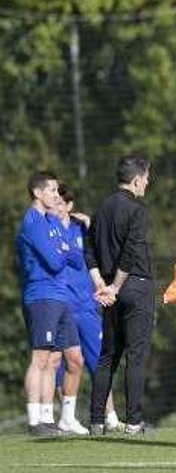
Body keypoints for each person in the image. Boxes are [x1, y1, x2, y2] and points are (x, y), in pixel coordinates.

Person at [86, 155, 155, 435]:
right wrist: (114, 286)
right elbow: (131, 251)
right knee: (135, 356)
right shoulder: (136, 209)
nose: (148, 183)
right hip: (134, 286)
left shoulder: (101, 208)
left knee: (108, 356)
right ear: (137, 179)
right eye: (147, 178)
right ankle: (134, 422)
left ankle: (95, 421)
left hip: (110, 291)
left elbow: (88, 250)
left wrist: (100, 284)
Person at [16, 171, 87, 436]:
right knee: (40, 359)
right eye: (52, 191)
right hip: (42, 296)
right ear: (37, 193)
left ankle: (48, 418)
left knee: (54, 361)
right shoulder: (33, 222)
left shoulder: (53, 222)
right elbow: (55, 261)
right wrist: (62, 250)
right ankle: (34, 420)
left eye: (57, 191)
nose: (57, 196)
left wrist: (63, 249)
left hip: (62, 297)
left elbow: (77, 259)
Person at [54, 184, 121, 432]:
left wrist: (91, 223)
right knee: (63, 365)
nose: (56, 206)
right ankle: (66, 420)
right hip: (61, 307)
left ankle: (111, 418)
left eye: (61, 202)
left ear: (69, 206)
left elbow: (100, 250)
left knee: (99, 361)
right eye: (53, 201)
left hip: (86, 306)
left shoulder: (81, 227)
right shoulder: (48, 230)